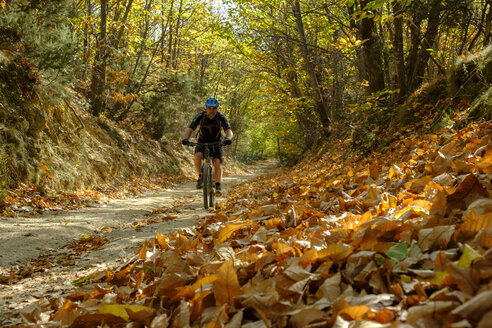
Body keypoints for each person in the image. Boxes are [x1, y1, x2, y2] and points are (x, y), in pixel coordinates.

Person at [181, 97, 233, 196]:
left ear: (217, 108)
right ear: (206, 108)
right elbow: (190, 129)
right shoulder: (200, 116)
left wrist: (228, 138)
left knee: (217, 162)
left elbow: (228, 131)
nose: (212, 110)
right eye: (209, 108)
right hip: (202, 142)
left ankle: (218, 186)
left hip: (216, 143)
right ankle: (200, 176)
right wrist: (186, 138)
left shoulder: (221, 117)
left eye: (214, 108)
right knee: (197, 156)